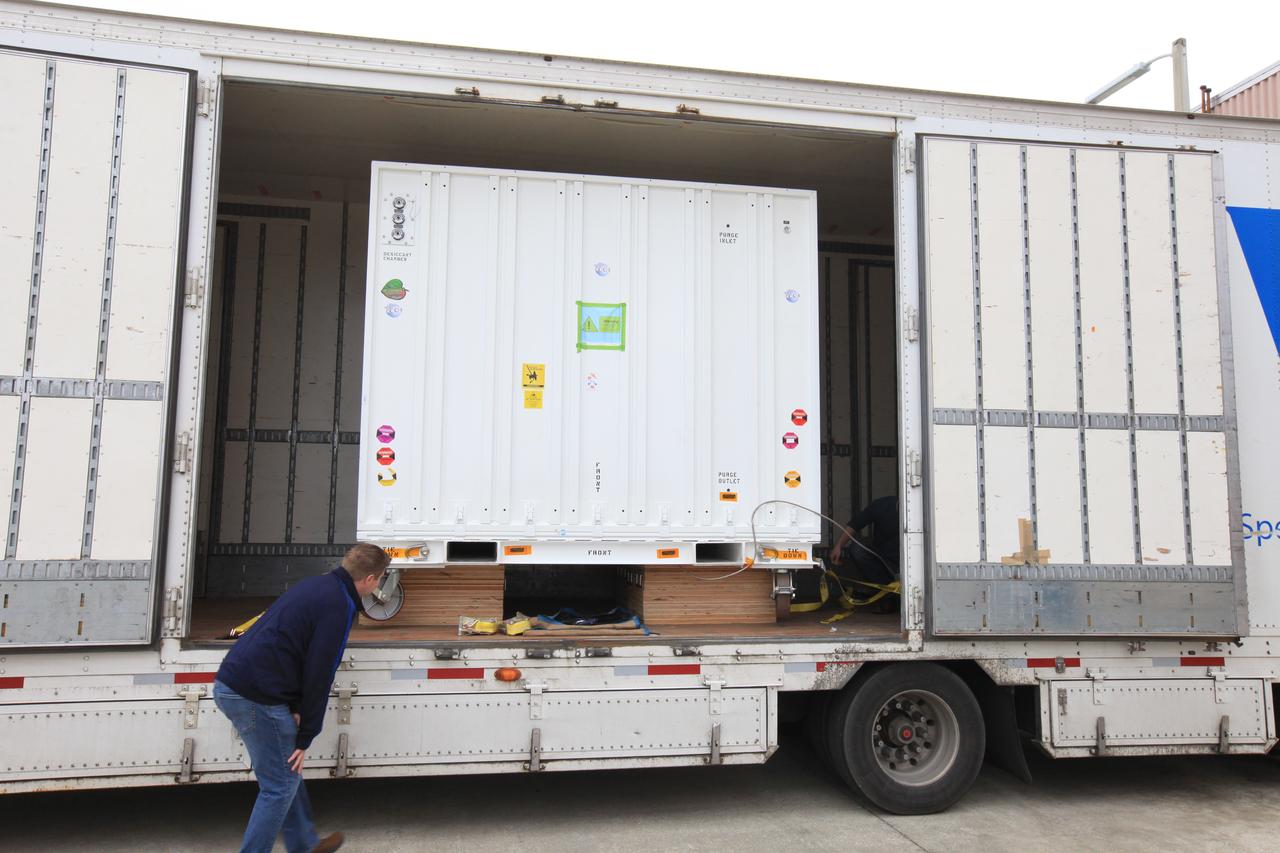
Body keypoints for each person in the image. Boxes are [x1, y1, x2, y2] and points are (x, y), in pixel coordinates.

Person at [214, 543, 390, 853]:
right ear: (371, 579)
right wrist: (306, 734)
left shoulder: (317, 585)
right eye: (381, 579)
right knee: (279, 787)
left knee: (286, 773)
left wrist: (296, 707)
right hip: (254, 695)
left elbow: (296, 649)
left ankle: (304, 845)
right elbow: (319, 671)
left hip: (238, 682)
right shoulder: (339, 605)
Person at [830, 495, 900, 608]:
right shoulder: (881, 505)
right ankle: (885, 593)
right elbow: (855, 524)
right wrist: (839, 545)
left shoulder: (920, 514)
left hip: (907, 563)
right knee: (857, 549)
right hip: (882, 559)